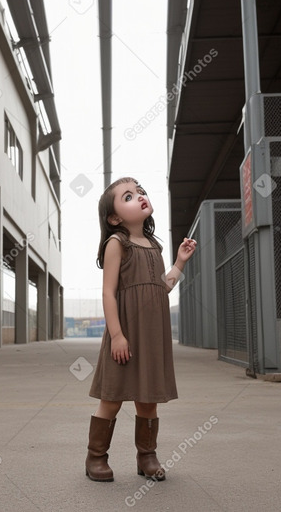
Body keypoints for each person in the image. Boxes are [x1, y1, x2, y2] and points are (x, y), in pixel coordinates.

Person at [85, 177, 197, 482]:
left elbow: (161, 287)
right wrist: (117, 335)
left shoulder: (154, 245)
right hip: (126, 334)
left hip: (151, 336)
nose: (140, 196)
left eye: (141, 192)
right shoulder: (116, 243)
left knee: (148, 398)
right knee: (112, 397)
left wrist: (179, 262)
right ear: (114, 217)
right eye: (129, 196)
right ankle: (96, 458)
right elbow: (109, 292)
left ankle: (147, 456)